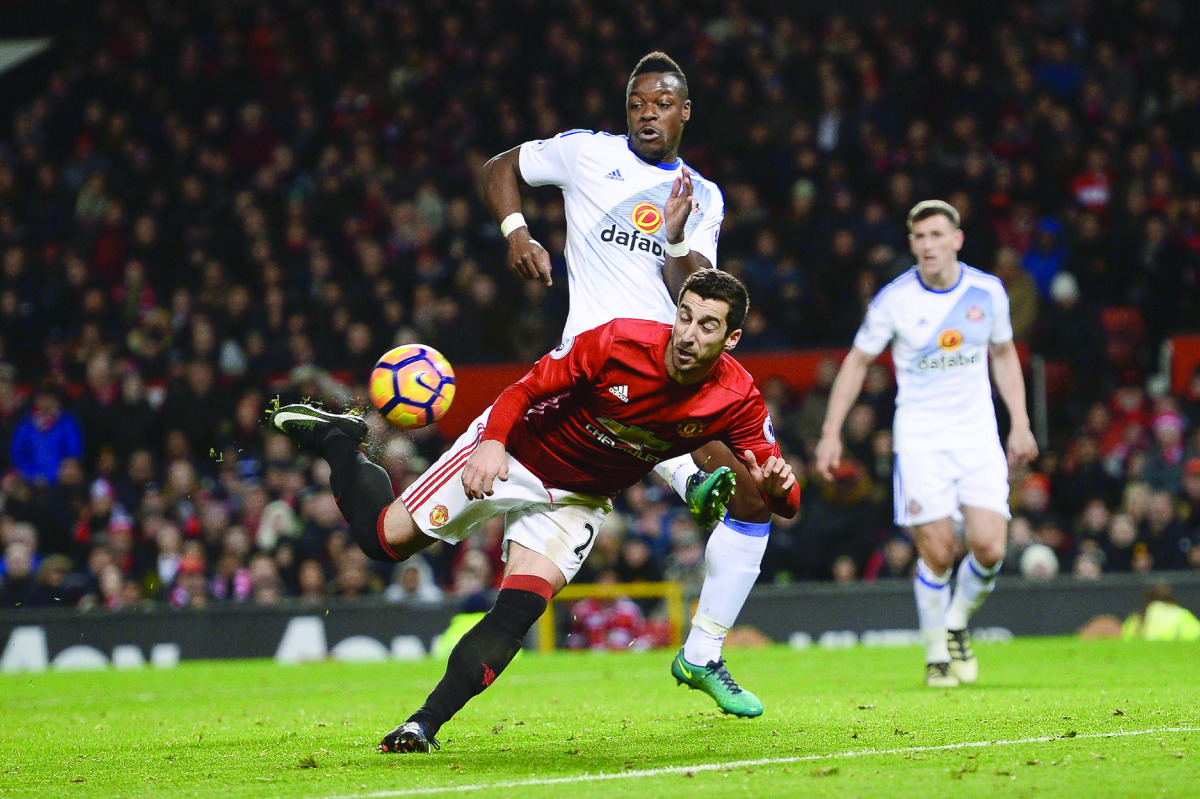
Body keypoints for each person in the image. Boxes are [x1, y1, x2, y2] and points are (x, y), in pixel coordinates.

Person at [268, 271, 798, 752]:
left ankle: (421, 725)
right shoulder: (617, 342)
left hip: (578, 499)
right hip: (514, 453)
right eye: (684, 316)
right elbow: (524, 389)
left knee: (519, 610)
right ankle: (341, 439)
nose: (688, 335)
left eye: (707, 326)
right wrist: (492, 443)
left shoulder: (736, 398)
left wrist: (778, 488)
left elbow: (784, 501)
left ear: (731, 339)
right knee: (383, 541)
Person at [479, 51, 778, 715]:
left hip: (675, 369)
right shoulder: (587, 153)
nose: (648, 114)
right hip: (597, 368)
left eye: (662, 104)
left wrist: (673, 239)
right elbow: (499, 167)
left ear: (685, 112)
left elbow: (696, 292)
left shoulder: (703, 196)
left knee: (756, 498)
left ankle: (702, 652)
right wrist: (516, 232)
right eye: (638, 103)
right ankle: (685, 477)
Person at [815, 200, 1039, 688]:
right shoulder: (895, 300)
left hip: (977, 436)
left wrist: (1020, 422)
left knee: (989, 547)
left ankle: (955, 622)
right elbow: (856, 362)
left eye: (937, 235)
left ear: (957, 239)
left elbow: (1004, 354)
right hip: (920, 439)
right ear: (912, 244)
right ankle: (937, 652)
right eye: (919, 237)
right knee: (938, 552)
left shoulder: (987, 291)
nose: (928, 245)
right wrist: (831, 432)